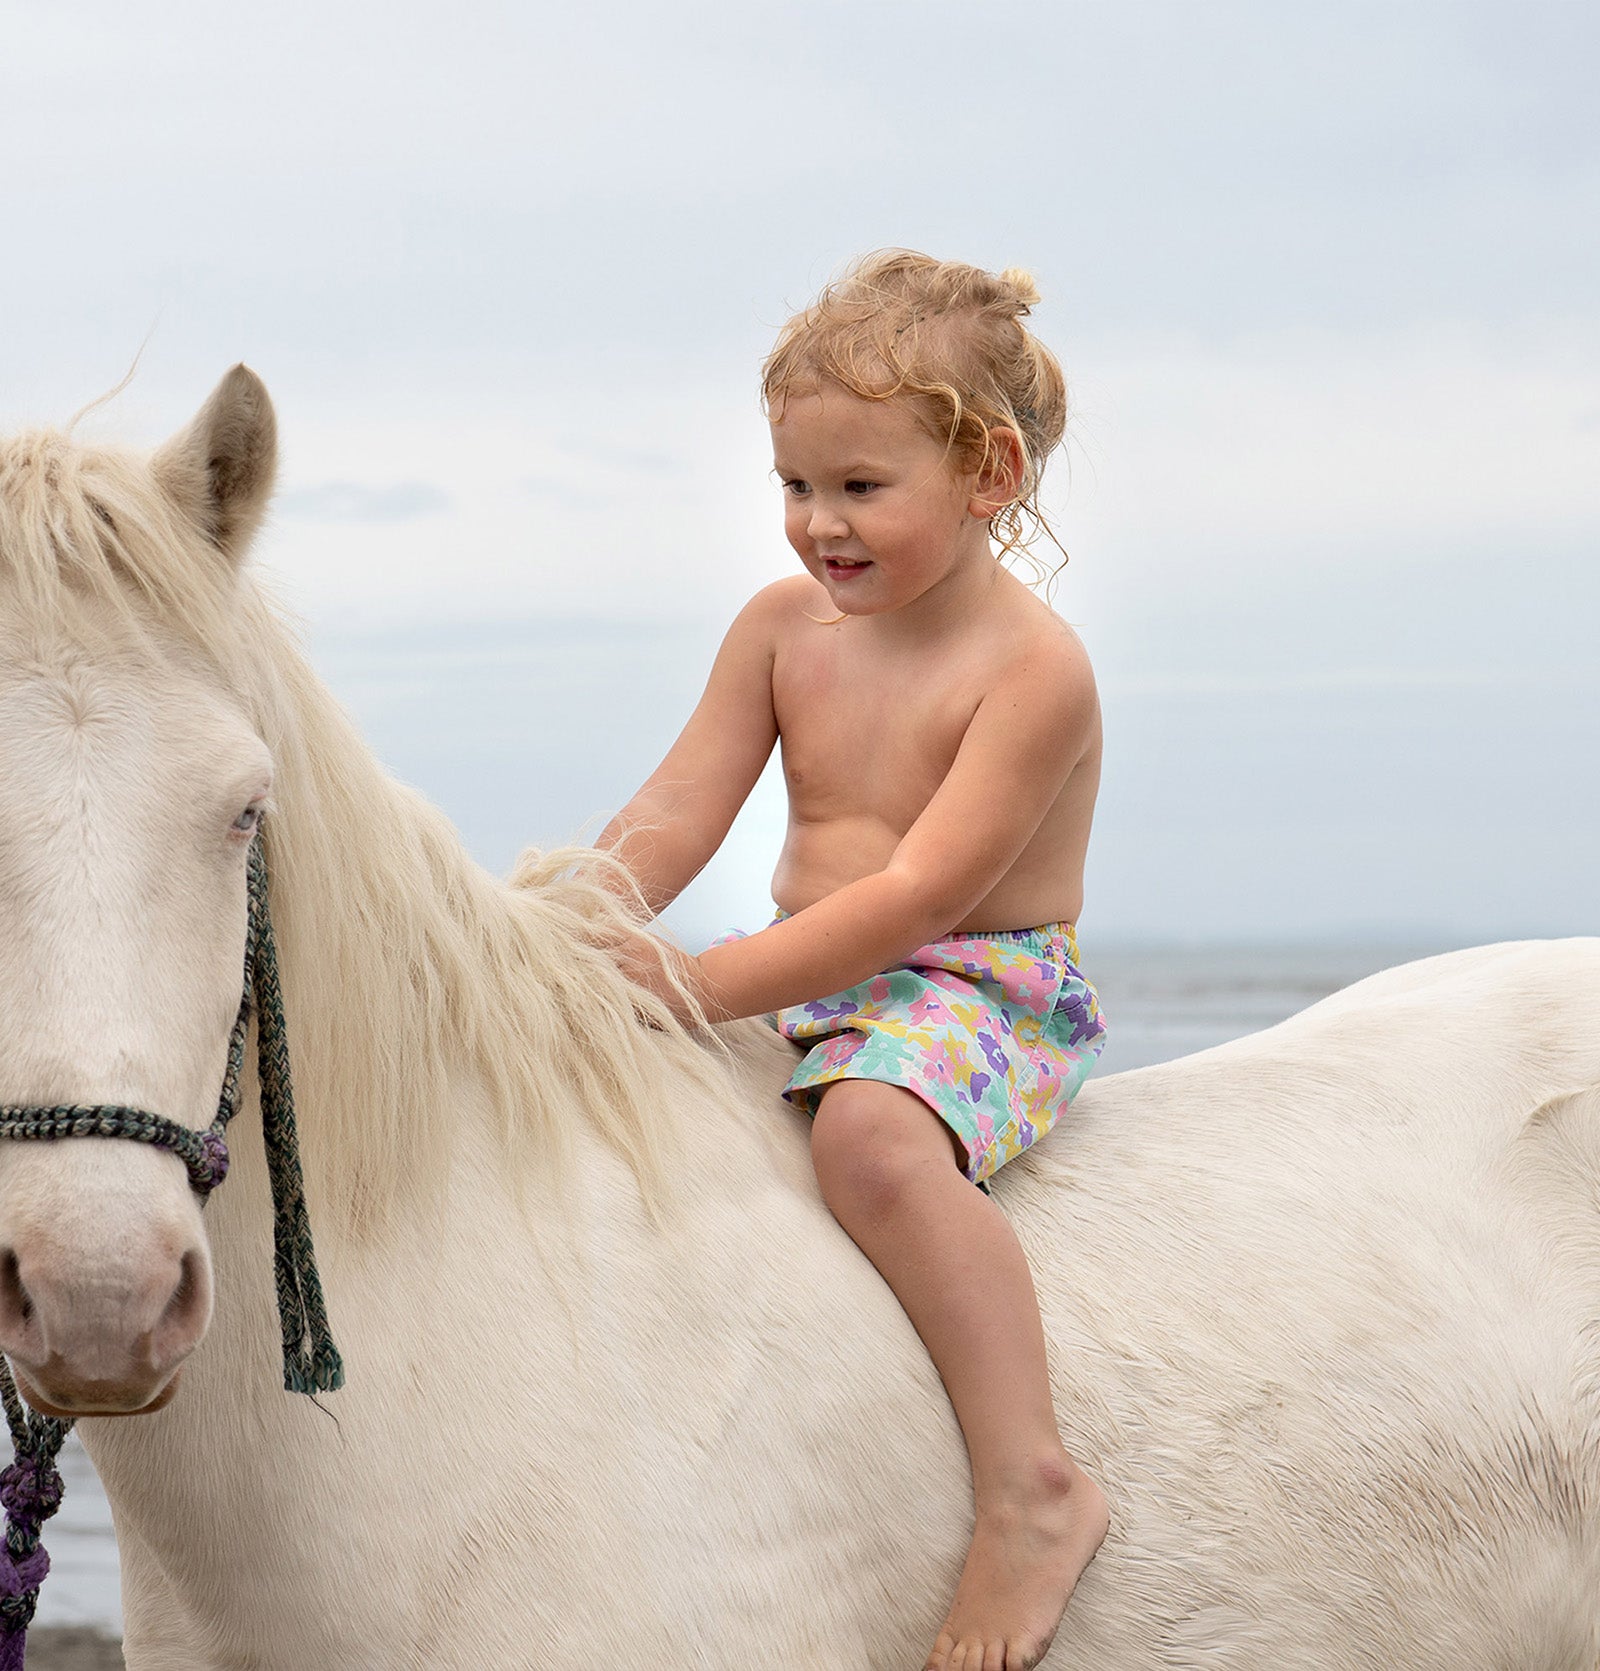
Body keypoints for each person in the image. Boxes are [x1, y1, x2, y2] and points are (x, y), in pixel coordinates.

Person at [599, 249, 1109, 1671]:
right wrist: (572, 925)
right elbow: (676, 808)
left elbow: (914, 896)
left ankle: (1033, 1488)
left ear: (989, 473)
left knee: (873, 1147)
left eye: (860, 489)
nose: (817, 525)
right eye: (794, 485)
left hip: (972, 991)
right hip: (814, 984)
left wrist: (700, 986)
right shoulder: (781, 630)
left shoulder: (1033, 668)